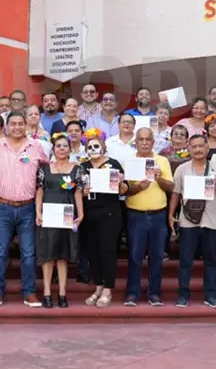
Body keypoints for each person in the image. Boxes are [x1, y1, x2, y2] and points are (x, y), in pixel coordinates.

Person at [0, 110, 48, 307]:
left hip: (28, 207)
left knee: (28, 252)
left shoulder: (36, 147)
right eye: (13, 124)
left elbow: (47, 169)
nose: (17, 127)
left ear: (26, 125)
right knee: (0, 251)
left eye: (20, 123)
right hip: (3, 206)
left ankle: (29, 291)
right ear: (7, 126)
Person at [169, 134, 216, 308]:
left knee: (211, 261)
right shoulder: (182, 169)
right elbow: (176, 193)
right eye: (193, 146)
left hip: (211, 220)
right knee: (185, 260)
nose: (197, 150)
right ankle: (183, 294)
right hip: (188, 220)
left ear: (207, 148)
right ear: (189, 149)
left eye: (200, 146)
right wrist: (171, 215)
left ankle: (210, 295)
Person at [122, 127, 173, 307]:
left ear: (153, 142)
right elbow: (124, 190)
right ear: (135, 142)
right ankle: (132, 293)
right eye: (141, 139)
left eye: (148, 139)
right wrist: (138, 187)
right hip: (136, 215)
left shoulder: (162, 161)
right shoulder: (130, 161)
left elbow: (171, 188)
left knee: (157, 256)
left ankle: (154, 293)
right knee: (134, 256)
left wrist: (159, 179)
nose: (144, 143)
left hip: (158, 215)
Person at [36, 134, 86, 308]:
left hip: (67, 212)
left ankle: (62, 294)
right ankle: (47, 293)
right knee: (48, 254)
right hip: (49, 212)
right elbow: (39, 191)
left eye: (65, 146)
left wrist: (81, 214)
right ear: (53, 149)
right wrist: (38, 212)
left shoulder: (77, 169)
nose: (62, 148)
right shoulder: (44, 168)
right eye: (58, 146)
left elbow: (78, 192)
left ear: (70, 149)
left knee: (63, 255)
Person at [80, 130, 126, 307]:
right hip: (90, 213)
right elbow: (77, 192)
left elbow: (124, 189)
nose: (93, 149)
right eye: (90, 146)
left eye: (96, 146)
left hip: (110, 213)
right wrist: (82, 192)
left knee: (108, 250)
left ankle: (108, 289)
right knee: (93, 252)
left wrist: (120, 183)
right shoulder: (83, 167)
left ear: (103, 147)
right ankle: (98, 287)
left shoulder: (113, 164)